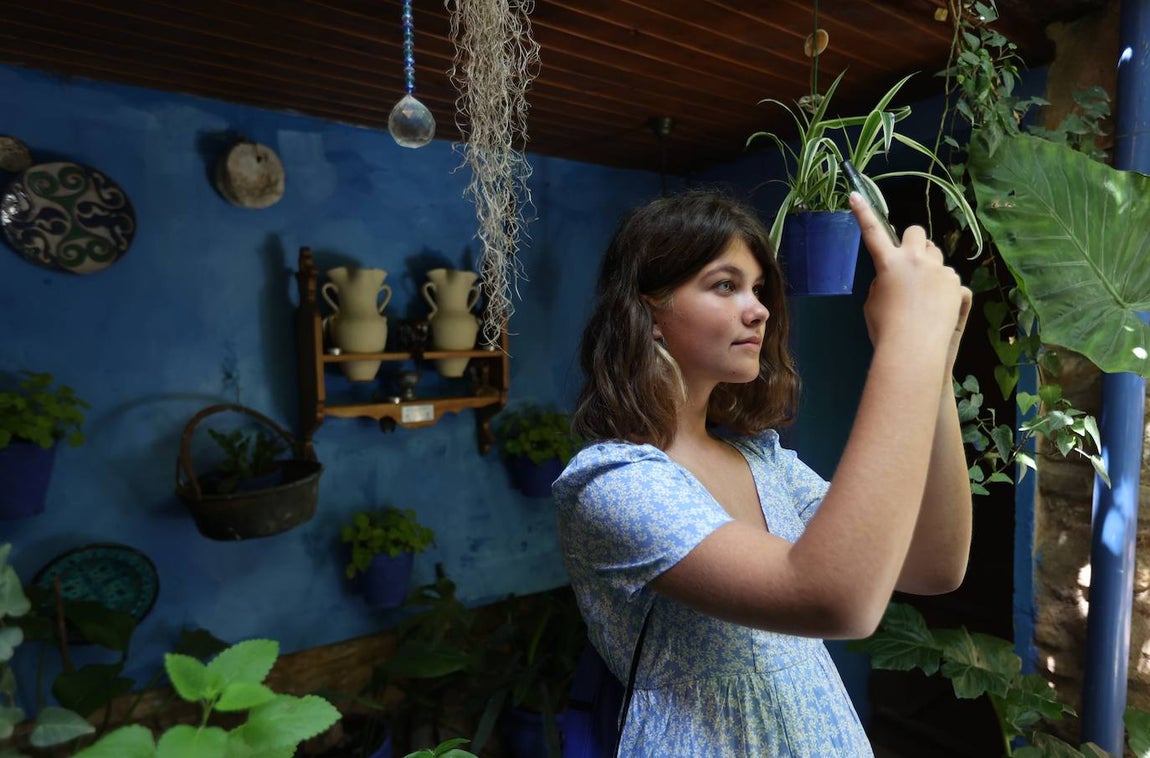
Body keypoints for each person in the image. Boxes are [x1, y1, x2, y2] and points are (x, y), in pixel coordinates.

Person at [552, 187, 973, 757]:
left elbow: (935, 565)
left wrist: (937, 367)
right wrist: (907, 343)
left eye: (756, 288)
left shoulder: (766, 464)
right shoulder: (615, 485)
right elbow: (832, 600)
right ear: (649, 313)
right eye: (725, 285)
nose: (759, 309)